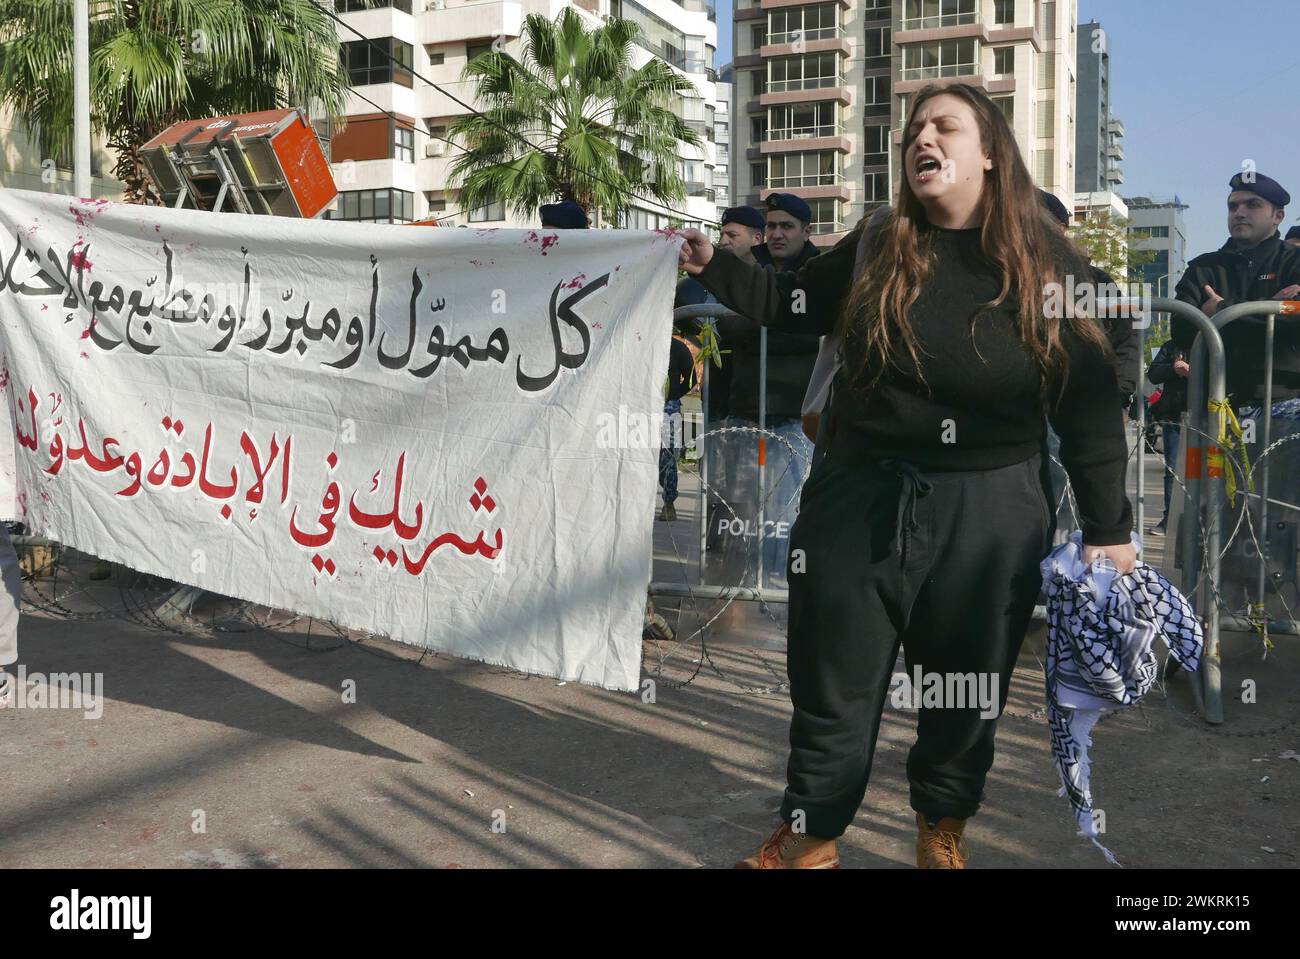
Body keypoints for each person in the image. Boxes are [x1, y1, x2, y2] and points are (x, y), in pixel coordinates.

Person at [678, 82, 1134, 869]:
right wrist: (713, 264)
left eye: (945, 127)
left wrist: (1111, 528)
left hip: (989, 510)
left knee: (963, 691)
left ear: (989, 153)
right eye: (916, 129)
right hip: (856, 498)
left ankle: (940, 828)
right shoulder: (878, 240)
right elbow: (791, 306)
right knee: (832, 677)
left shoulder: (1045, 259)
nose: (924, 138)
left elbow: (1090, 402)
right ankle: (812, 834)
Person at [705, 194, 821, 589]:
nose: (776, 233)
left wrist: (767, 319)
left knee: (785, 514)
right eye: (771, 226)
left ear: (806, 231)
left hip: (795, 419)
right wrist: (774, 322)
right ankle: (741, 597)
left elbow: (816, 329)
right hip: (746, 414)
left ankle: (780, 596)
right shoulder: (752, 267)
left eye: (786, 226)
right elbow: (729, 326)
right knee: (742, 513)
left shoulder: (820, 271)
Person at [1172, 173, 1300, 406]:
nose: (1239, 213)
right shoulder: (1203, 267)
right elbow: (1181, 329)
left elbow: (1293, 322)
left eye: (1253, 205)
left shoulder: (1294, 262)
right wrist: (1269, 308)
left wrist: (1220, 310)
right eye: (1233, 206)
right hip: (1214, 402)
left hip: (1283, 403)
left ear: (1278, 216)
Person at [1146, 339, 1190, 534]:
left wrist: (1192, 372)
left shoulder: (1211, 337)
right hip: (1174, 415)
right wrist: (1173, 368)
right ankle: (1170, 520)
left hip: (1204, 416)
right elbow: (1153, 374)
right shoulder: (1172, 346)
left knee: (1206, 470)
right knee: (1173, 470)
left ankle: (1200, 519)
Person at [658, 334, 696, 522]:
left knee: (669, 455)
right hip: (643, 406)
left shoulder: (678, 348)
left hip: (669, 407)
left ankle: (669, 503)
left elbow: (691, 380)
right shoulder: (643, 342)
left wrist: (672, 396)